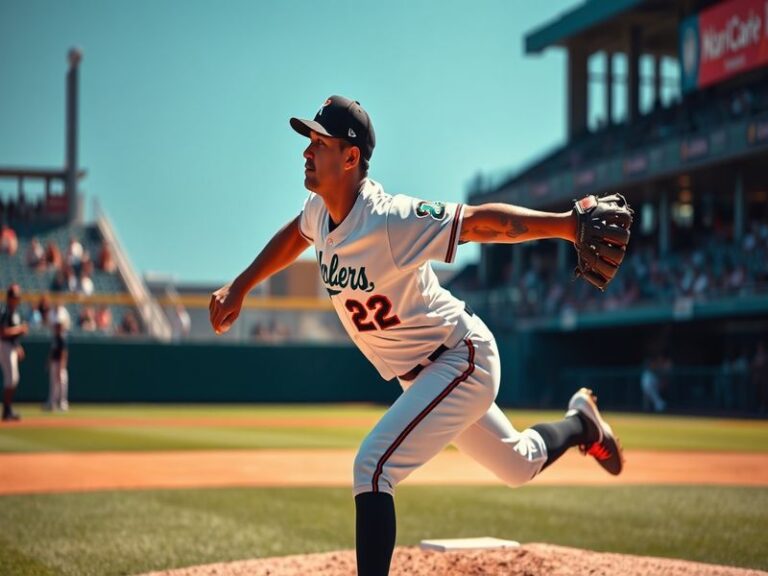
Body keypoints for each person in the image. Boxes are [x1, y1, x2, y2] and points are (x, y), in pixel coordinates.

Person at [208, 95, 627, 576]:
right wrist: (240, 285)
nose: (307, 151)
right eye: (309, 141)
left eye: (319, 142)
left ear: (350, 157)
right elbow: (296, 234)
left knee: (372, 468)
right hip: (426, 377)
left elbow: (483, 223)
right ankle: (583, 424)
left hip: (460, 359)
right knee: (519, 464)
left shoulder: (390, 219)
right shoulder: (319, 213)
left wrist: (568, 226)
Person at [1, 284, 28, 421]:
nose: (17, 299)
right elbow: (3, 332)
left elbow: (13, 335)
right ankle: (6, 410)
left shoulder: (16, 313)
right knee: (10, 379)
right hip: (4, 346)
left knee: (14, 379)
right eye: (14, 297)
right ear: (9, 298)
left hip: (11, 346)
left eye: (17, 297)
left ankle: (8, 409)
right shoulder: (6, 312)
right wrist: (19, 329)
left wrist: (18, 346)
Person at [45, 307, 70, 411]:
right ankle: (52, 403)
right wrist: (48, 362)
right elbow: (52, 352)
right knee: (54, 384)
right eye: (56, 326)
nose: (57, 328)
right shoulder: (55, 338)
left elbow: (64, 353)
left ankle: (63, 403)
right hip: (55, 363)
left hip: (60, 363)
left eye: (58, 326)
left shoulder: (61, 338)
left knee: (62, 383)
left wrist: (62, 366)